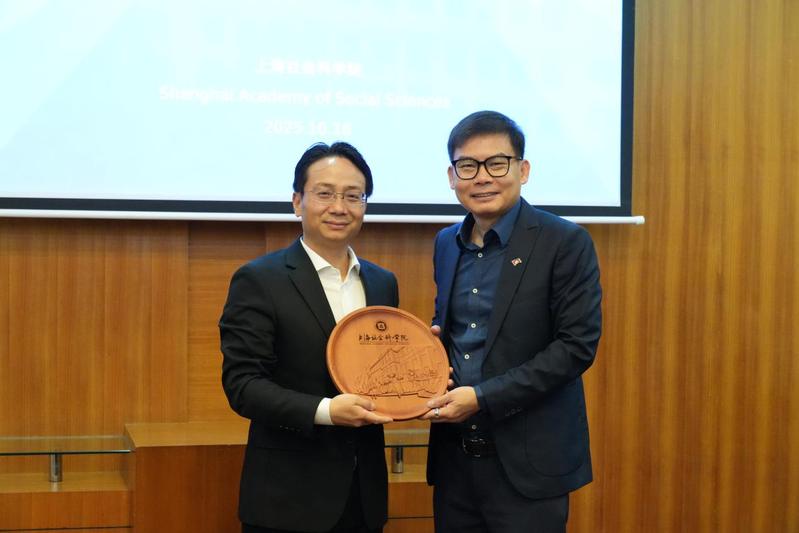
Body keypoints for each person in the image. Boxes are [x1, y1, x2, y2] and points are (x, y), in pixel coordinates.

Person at [422, 111, 602, 533]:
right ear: (452, 176)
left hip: (529, 466)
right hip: (455, 461)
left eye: (497, 163)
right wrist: (427, 356)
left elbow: (575, 348)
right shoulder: (446, 243)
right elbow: (452, 329)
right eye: (468, 165)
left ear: (523, 170)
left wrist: (482, 397)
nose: (482, 177)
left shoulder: (565, 241)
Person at [220, 141, 397, 533]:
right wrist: (326, 411)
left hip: (364, 498)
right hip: (287, 501)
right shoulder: (259, 280)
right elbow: (243, 385)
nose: (340, 207)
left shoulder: (383, 283)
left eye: (353, 196)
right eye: (325, 194)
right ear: (297, 202)